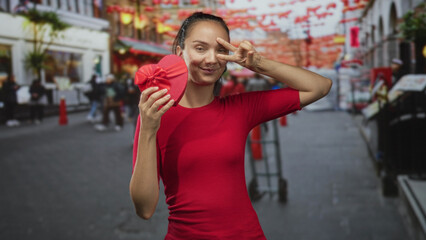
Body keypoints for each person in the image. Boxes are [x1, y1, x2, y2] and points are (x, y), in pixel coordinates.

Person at [130, 12, 332, 239]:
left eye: (221, 50)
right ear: (179, 52)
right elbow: (145, 209)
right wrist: (148, 130)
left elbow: (320, 86)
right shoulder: (155, 116)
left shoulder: (240, 109)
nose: (211, 59)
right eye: (200, 48)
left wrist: (259, 64)